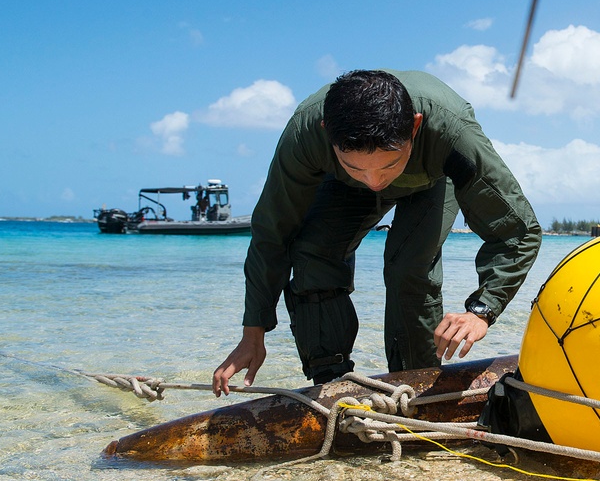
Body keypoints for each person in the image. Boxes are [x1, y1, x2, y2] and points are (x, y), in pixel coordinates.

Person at [212, 69, 542, 395]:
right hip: (341, 186)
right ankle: (332, 383)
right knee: (313, 251)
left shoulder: (452, 131)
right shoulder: (305, 133)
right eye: (357, 166)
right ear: (328, 134)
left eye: (388, 165)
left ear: (414, 126)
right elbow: (272, 233)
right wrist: (253, 331)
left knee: (408, 268)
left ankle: (415, 383)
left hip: (431, 180)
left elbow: (518, 230)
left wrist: (481, 311)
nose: (374, 181)